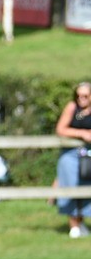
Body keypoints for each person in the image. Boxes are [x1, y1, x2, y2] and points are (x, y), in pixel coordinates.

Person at [55, 82, 91, 238]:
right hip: (70, 155)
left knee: (86, 188)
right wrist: (81, 133)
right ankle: (74, 226)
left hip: (88, 155)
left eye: (85, 96)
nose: (81, 99)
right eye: (78, 95)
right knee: (69, 187)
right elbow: (61, 129)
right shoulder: (72, 108)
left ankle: (81, 222)